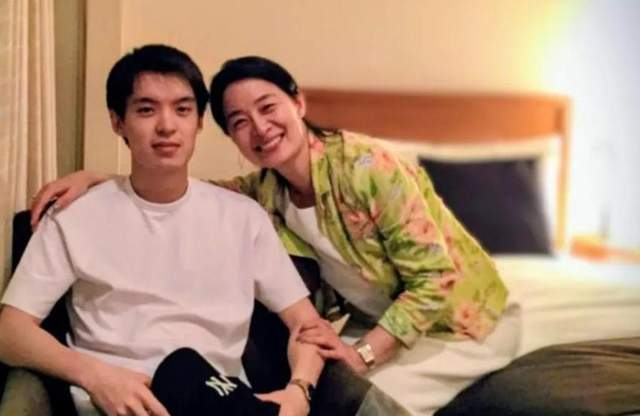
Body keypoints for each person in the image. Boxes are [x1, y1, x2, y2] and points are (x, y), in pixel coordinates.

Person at [29, 56, 521, 415]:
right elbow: (173, 187)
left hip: (456, 321)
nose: (260, 128)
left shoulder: (369, 168)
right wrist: (100, 179)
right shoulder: (263, 191)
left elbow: (435, 280)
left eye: (268, 107)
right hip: (366, 322)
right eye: (240, 122)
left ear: (298, 102)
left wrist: (352, 360)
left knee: (368, 401)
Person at [0, 45, 325, 416]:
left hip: (216, 401)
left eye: (182, 109)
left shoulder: (243, 217)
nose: (167, 126)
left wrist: (299, 391)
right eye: (146, 110)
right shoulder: (73, 216)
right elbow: (10, 332)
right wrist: (96, 377)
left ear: (199, 122)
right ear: (117, 122)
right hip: (117, 406)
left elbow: (307, 324)